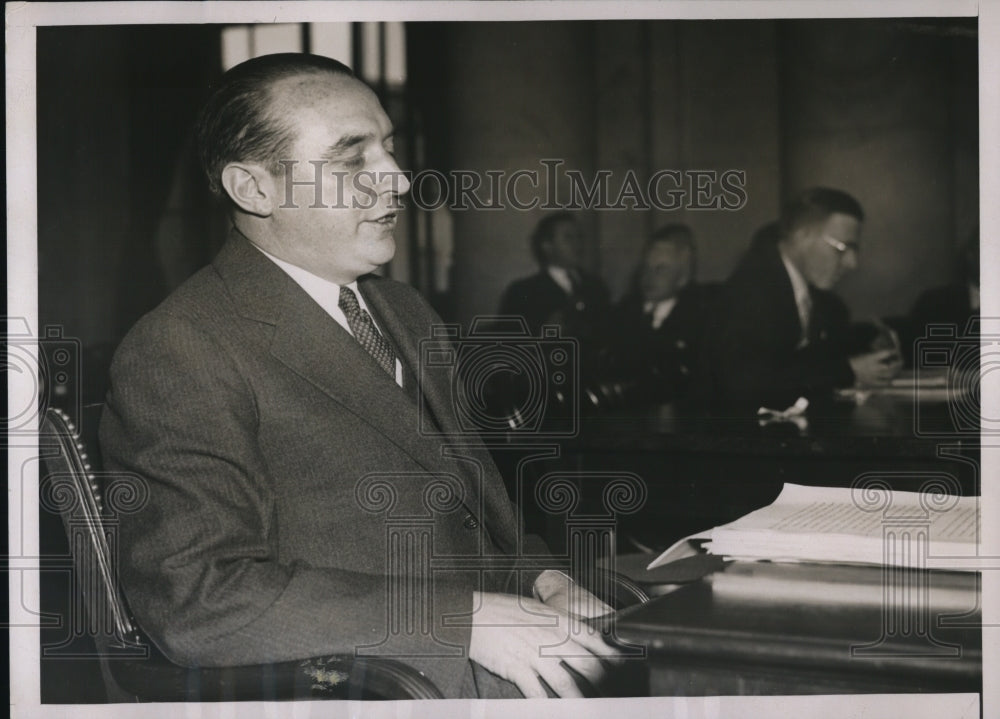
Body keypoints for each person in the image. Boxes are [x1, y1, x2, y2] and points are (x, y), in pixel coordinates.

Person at [99, 53, 615, 700]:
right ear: (254, 188)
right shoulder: (182, 346)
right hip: (376, 683)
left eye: (389, 150)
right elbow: (199, 600)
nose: (397, 180)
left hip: (490, 650)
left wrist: (541, 577)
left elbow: (465, 514)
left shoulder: (403, 309)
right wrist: (463, 620)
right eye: (352, 160)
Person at [707, 187, 901, 414]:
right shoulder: (749, 292)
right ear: (802, 236)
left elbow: (814, 355)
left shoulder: (814, 295)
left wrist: (869, 340)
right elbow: (746, 382)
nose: (852, 263)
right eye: (843, 248)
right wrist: (848, 370)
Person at [608, 224, 713, 405]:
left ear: (683, 277)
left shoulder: (700, 319)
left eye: (661, 269)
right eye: (646, 268)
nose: (649, 277)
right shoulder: (622, 313)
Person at [499, 212, 611, 342]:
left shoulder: (596, 286)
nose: (578, 244)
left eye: (579, 237)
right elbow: (507, 346)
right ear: (547, 246)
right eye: (568, 238)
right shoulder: (522, 292)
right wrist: (542, 335)